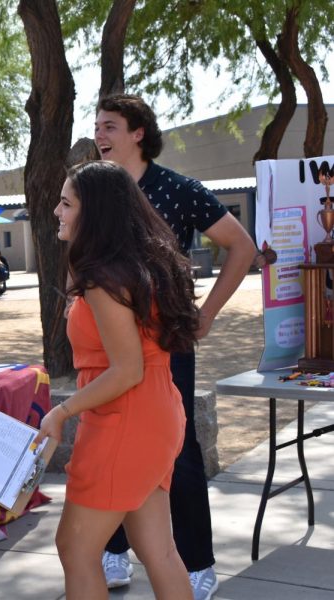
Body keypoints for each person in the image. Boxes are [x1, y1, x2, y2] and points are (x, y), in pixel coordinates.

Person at [94, 93, 255, 600]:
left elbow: (242, 246)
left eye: (110, 126)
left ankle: (197, 564)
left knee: (177, 450)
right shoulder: (97, 190)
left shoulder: (179, 190)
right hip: (106, 341)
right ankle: (113, 552)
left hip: (166, 342)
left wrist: (206, 315)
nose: (100, 134)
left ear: (138, 132)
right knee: (109, 441)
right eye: (97, 126)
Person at [36, 160, 199, 599]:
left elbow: (128, 370)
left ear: (95, 213)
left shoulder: (104, 279)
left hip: (124, 418)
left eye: (67, 203)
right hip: (154, 412)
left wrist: (62, 410)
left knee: (75, 548)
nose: (56, 211)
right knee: (158, 549)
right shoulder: (132, 266)